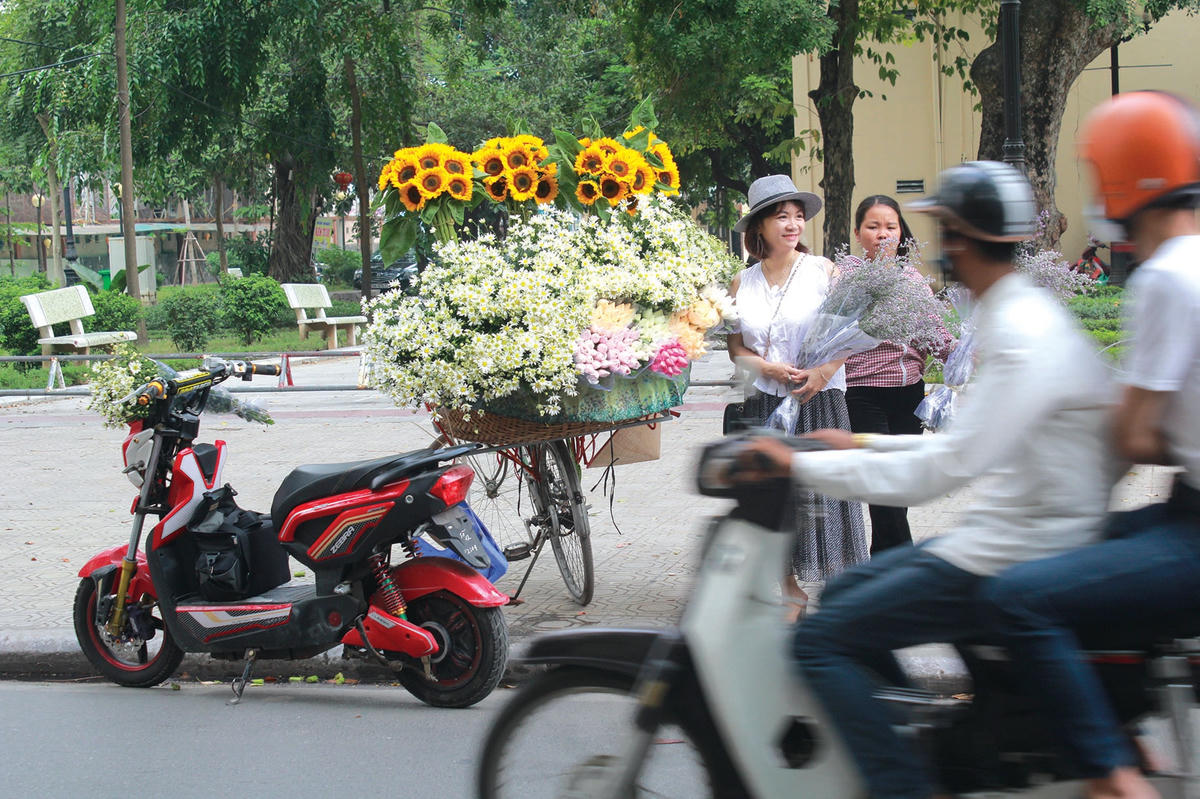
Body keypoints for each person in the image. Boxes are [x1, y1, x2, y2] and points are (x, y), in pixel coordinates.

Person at [733, 161, 1116, 799]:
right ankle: (917, 732)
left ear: (966, 240)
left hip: (1009, 550)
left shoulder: (1018, 330)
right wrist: (855, 439)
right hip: (1012, 535)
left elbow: (940, 468)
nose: (939, 253)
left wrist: (807, 461)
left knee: (824, 638)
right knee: (857, 588)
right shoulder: (1013, 311)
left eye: (947, 236)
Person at [979, 91, 1200, 799]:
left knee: (1021, 596)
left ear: (1127, 181)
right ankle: (1124, 725)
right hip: (1182, 508)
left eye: (1099, 175)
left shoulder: (1167, 276)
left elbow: (1132, 433)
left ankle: (1111, 774)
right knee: (1082, 551)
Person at [727, 174, 867, 618]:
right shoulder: (740, 283)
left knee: (830, 493)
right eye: (781, 217)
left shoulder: (824, 271)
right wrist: (764, 367)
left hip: (819, 398)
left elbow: (852, 332)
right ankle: (790, 589)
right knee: (774, 498)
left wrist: (824, 371)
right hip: (767, 402)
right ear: (760, 227)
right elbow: (735, 346)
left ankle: (842, 589)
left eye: (797, 216)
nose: (792, 225)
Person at [842, 195, 953, 553]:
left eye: (890, 227)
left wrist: (965, 354)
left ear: (901, 233)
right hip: (863, 393)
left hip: (908, 393)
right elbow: (831, 336)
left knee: (898, 483)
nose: (882, 235)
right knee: (881, 480)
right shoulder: (845, 278)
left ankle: (884, 563)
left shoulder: (913, 281)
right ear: (859, 233)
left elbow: (934, 333)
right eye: (873, 227)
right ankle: (904, 561)